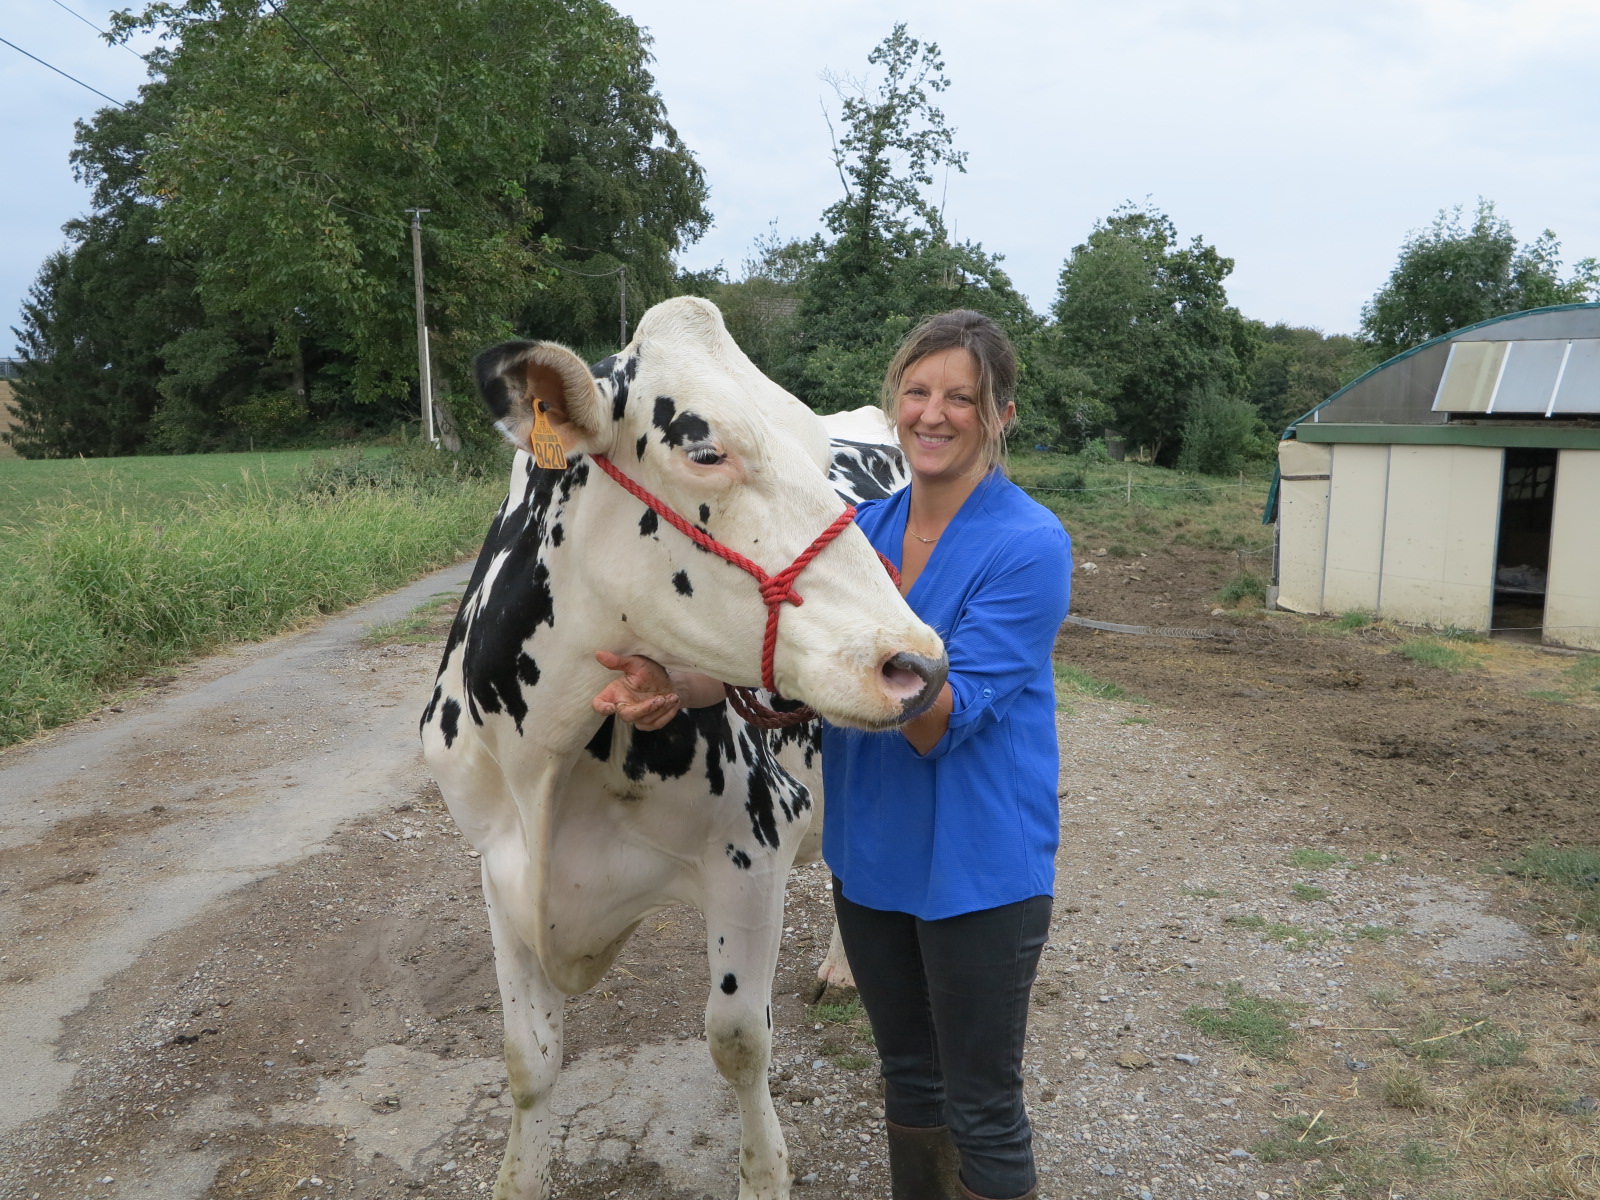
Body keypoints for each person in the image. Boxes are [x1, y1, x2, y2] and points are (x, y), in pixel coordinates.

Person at [593, 310, 1072, 1200]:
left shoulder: (1029, 545)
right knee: (909, 1081)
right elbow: (788, 669)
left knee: (983, 1102)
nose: (933, 414)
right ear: (895, 404)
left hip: (981, 871)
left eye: (960, 398)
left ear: (1000, 415)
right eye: (917, 392)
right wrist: (680, 682)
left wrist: (862, 648)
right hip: (872, 864)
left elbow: (938, 717)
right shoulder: (855, 535)